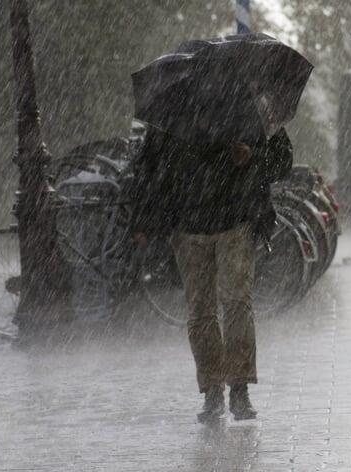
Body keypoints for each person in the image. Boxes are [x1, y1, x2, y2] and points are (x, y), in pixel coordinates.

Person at [130, 126, 292, 422]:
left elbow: (282, 161)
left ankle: (239, 389)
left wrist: (252, 156)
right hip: (188, 226)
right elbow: (149, 167)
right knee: (201, 311)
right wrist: (146, 218)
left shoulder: (250, 107)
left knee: (237, 303)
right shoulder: (173, 114)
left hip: (237, 220)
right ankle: (213, 390)